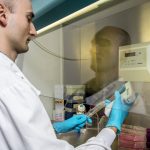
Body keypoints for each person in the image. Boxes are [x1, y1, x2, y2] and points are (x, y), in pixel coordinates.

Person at [0, 0, 133, 149]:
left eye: (103, 43)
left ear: (122, 52)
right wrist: (112, 127)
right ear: (1, 13)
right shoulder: (10, 86)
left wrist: (56, 128)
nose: (34, 32)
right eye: (28, 18)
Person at [85, 26, 131, 97]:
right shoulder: (81, 91)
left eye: (103, 43)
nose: (93, 50)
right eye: (94, 44)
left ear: (124, 53)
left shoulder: (130, 93)